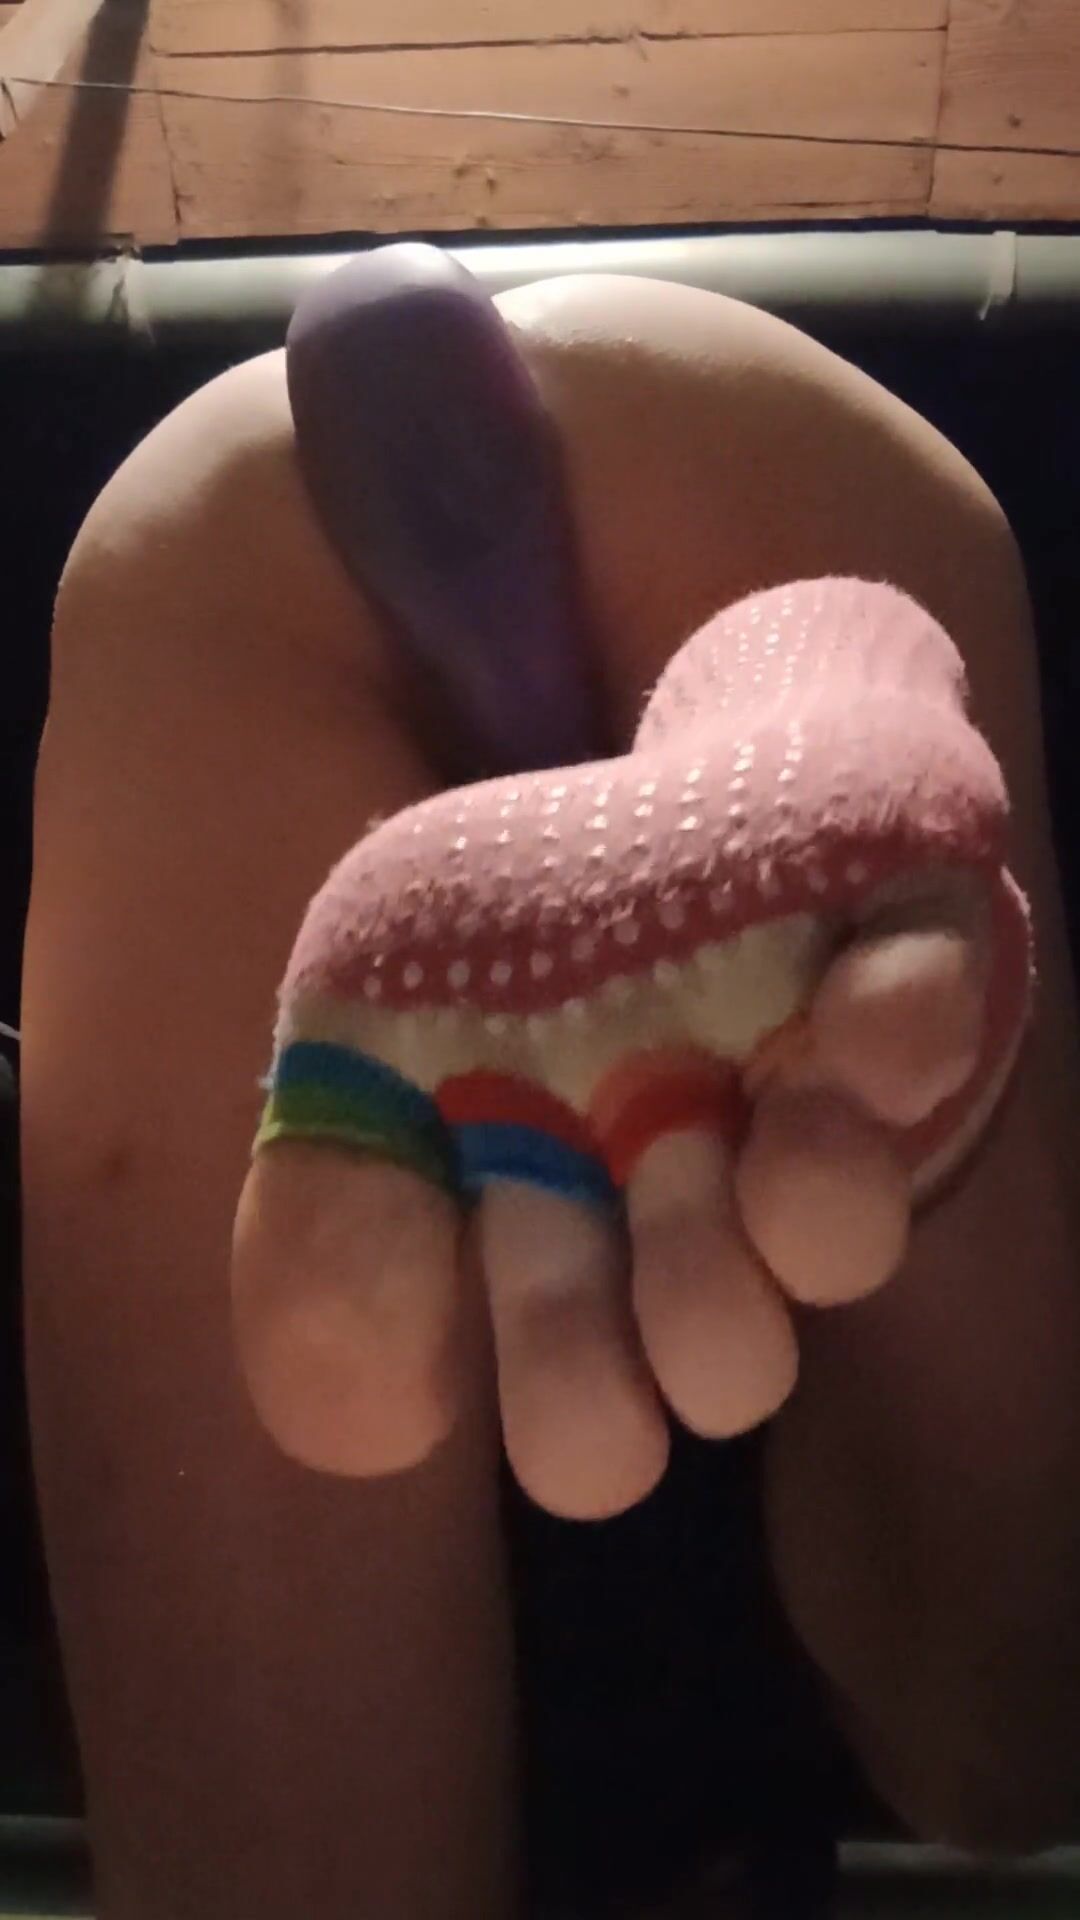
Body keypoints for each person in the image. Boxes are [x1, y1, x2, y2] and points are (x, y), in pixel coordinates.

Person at [20, 270, 1080, 1920]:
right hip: (673, 448)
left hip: (346, 537)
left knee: (1018, 1748)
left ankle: (887, 1030)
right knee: (997, 1747)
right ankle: (885, 1040)